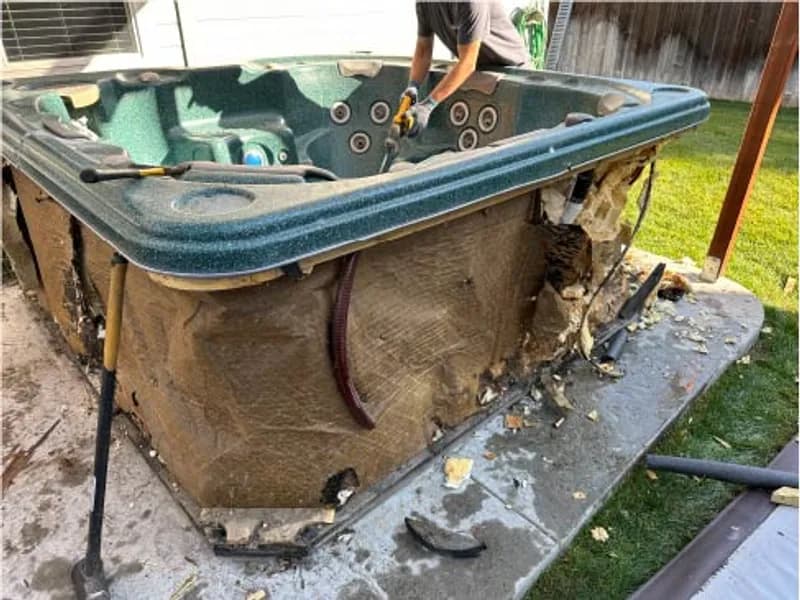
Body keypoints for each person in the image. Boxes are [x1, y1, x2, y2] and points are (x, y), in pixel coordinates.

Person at [402, 1, 529, 137]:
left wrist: (428, 105)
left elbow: (468, 62)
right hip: (478, 72)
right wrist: (412, 87)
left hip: (514, 74)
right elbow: (423, 50)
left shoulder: (472, 3)